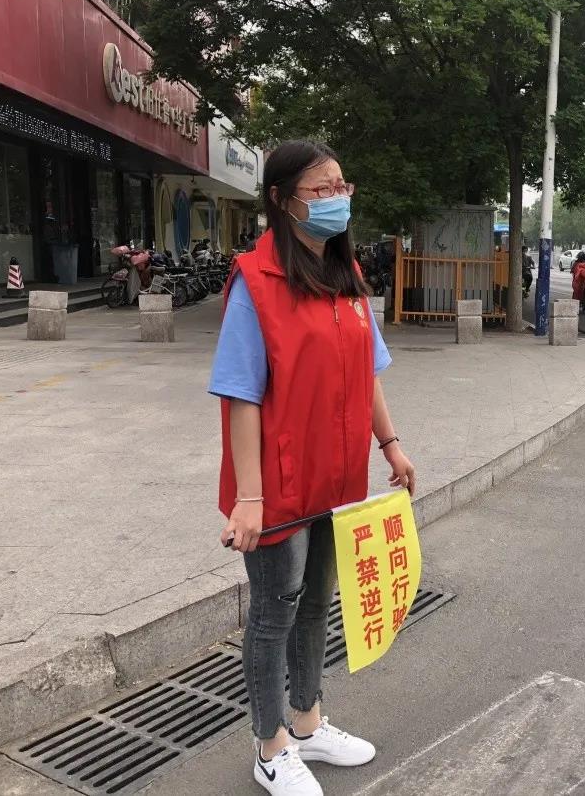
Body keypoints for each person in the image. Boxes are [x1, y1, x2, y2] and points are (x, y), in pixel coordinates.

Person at [209, 140, 416, 796]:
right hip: (278, 481)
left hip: (338, 477)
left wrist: (390, 444)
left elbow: (368, 371)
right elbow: (240, 394)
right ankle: (269, 747)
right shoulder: (255, 281)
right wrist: (248, 496)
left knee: (317, 601)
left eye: (341, 187)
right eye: (320, 190)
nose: (336, 200)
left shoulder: (344, 273)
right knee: (275, 611)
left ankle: (307, 722)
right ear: (281, 199)